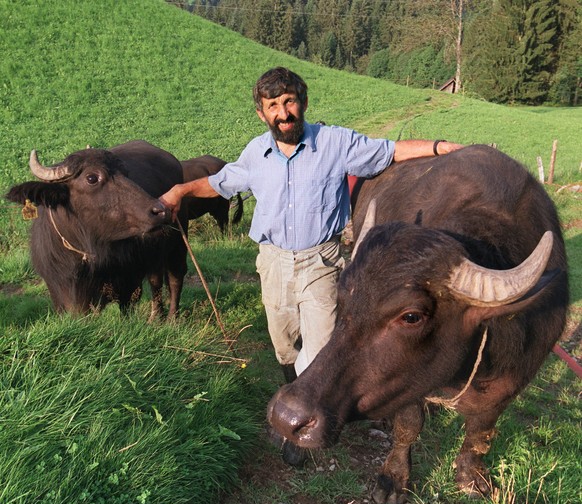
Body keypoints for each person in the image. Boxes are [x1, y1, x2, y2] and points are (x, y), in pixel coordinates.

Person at [160, 67, 463, 464]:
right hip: (272, 263)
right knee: (283, 343)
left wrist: (444, 148)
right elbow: (221, 183)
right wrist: (181, 189)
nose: (283, 113)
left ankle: (304, 422)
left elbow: (389, 151)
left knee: (319, 346)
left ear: (302, 103)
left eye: (289, 102)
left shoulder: (334, 143)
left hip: (320, 261)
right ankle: (295, 394)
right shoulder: (256, 153)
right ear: (262, 114)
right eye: (273, 106)